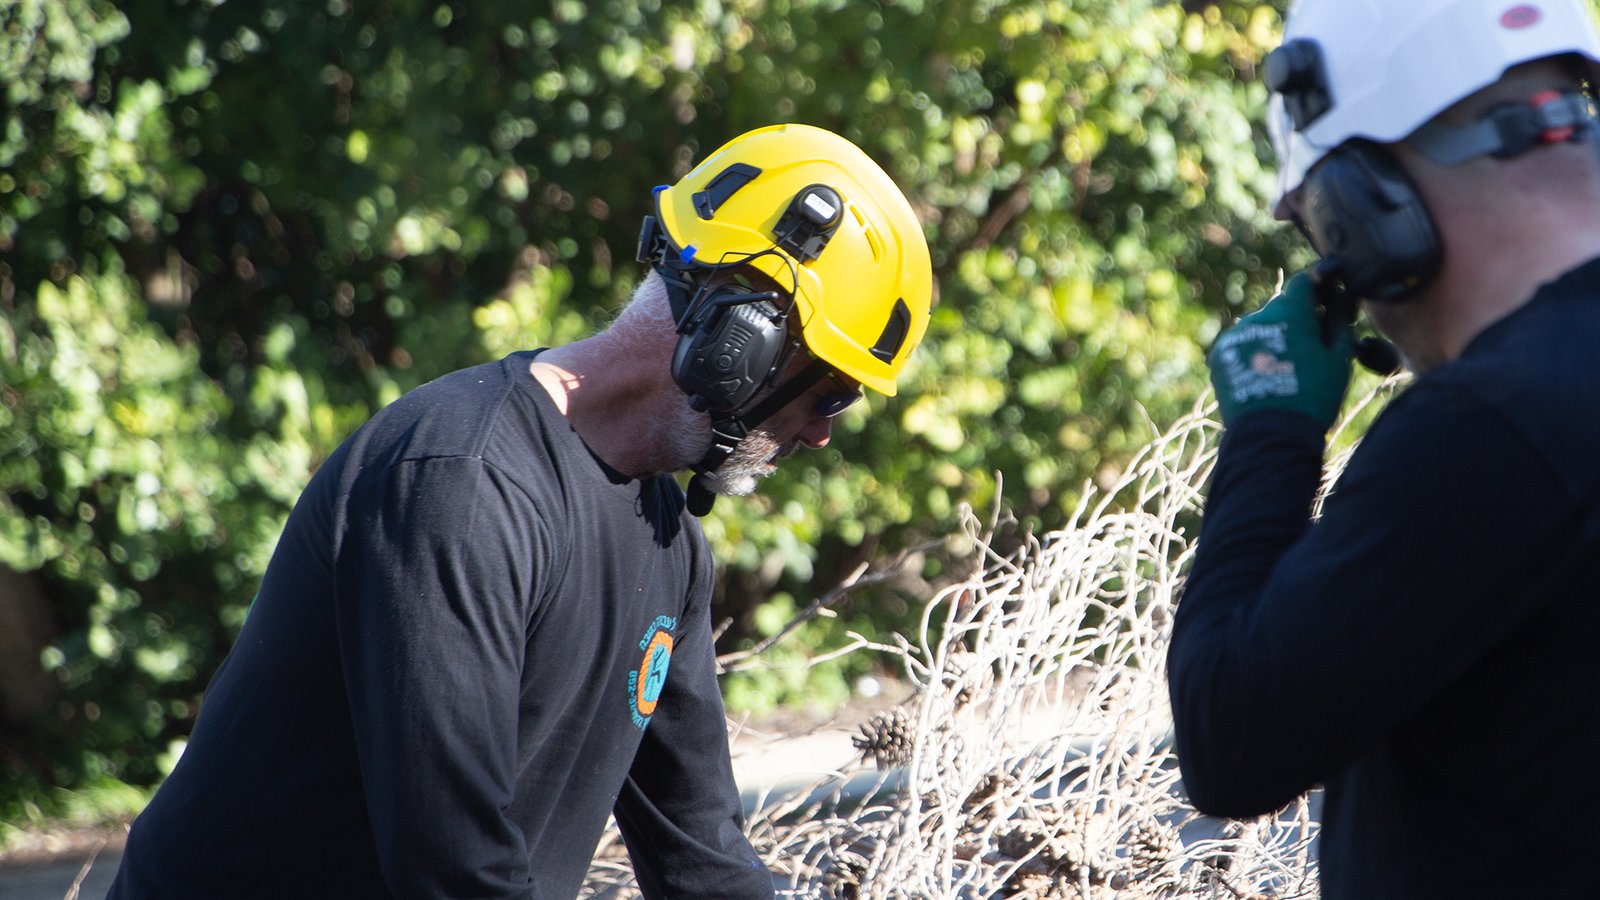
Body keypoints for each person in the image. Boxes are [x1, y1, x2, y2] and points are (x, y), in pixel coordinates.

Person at [108, 122, 932, 899]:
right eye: (828, 392)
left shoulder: (669, 546)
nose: (822, 435)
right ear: (741, 340)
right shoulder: (461, 486)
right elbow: (454, 866)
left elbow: (703, 860)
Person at [1167, 0, 1600, 896]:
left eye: (1316, 227)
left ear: (1364, 208)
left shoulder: (1493, 425)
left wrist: (1270, 429)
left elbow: (1229, 740)